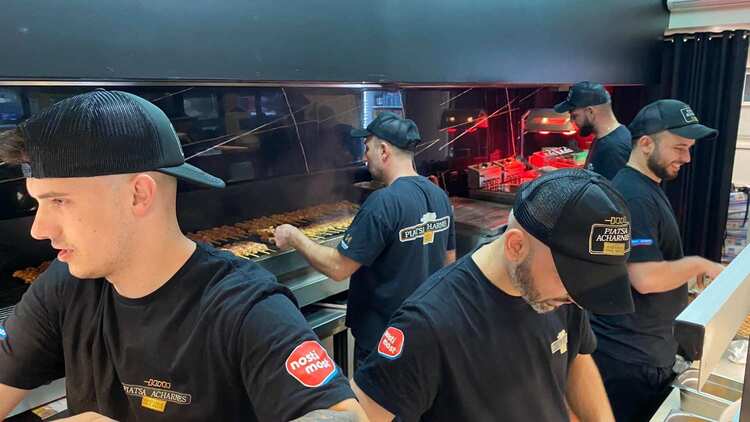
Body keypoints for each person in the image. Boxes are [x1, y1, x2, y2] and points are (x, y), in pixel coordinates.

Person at [0, 90, 365, 421]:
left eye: (59, 201)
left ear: (138, 195)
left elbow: (348, 418)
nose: (39, 229)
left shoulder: (242, 306)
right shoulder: (64, 287)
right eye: (38, 203)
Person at [351, 168, 635, 422]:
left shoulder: (562, 295)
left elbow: (578, 359)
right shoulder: (428, 323)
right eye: (571, 279)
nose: (575, 297)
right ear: (515, 246)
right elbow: (366, 413)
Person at [274, 112, 455, 368]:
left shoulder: (383, 202)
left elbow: (338, 268)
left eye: (367, 148)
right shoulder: (439, 196)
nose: (364, 157)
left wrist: (294, 236)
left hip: (383, 341)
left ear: (384, 150)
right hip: (422, 333)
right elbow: (448, 264)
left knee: (372, 396)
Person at [590, 99, 725, 421]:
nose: (687, 158)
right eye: (679, 148)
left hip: (645, 349)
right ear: (646, 143)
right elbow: (644, 277)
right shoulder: (633, 196)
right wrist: (698, 265)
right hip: (628, 358)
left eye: (689, 148)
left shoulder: (644, 187)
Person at [555, 81, 631, 180]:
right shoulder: (602, 139)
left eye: (574, 116)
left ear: (590, 112)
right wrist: (558, 175)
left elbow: (611, 189)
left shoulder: (614, 148)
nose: (572, 121)